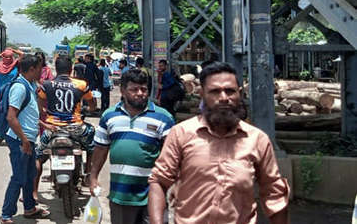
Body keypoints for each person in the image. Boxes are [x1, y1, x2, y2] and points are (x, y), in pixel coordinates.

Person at [148, 62, 290, 224]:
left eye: (230, 91)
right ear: (202, 94)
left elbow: (274, 193)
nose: (223, 98)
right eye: (215, 91)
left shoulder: (257, 140)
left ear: (239, 93)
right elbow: (159, 181)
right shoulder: (181, 134)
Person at [90, 69, 174, 224]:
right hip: (121, 195)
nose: (140, 93)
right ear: (122, 91)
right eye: (134, 89)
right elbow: (101, 148)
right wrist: (93, 177)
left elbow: (172, 155)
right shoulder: (109, 116)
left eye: (144, 89)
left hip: (154, 194)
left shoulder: (163, 118)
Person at [0, 55, 50, 224]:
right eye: (40, 68)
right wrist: (25, 140)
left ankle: (29, 208)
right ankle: (6, 215)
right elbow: (11, 117)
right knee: (19, 177)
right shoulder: (20, 88)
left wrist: (44, 124)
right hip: (20, 140)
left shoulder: (30, 85)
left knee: (30, 173)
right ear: (32, 69)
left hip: (28, 139)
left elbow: (27, 114)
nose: (42, 72)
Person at [36, 55, 97, 190]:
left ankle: (33, 192)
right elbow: (92, 106)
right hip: (76, 129)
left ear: (56, 69)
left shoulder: (46, 85)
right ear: (71, 69)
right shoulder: (81, 85)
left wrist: (46, 111)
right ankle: (88, 172)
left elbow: (40, 107)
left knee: (38, 156)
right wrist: (88, 109)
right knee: (91, 139)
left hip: (53, 129)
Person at [0, 48, 22, 145]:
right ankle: (0, 136)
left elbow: (22, 54)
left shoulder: (15, 65)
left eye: (10, 57)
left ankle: (11, 136)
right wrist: (0, 55)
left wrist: (14, 50)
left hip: (12, 94)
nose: (8, 58)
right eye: (6, 57)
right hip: (0, 94)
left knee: (12, 115)